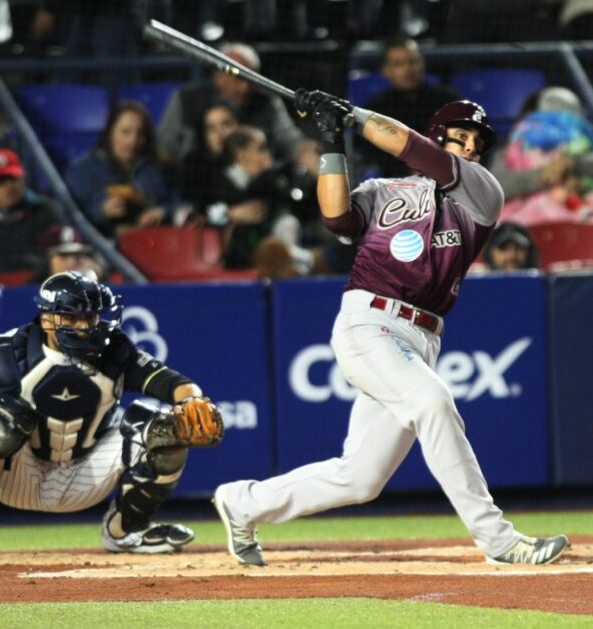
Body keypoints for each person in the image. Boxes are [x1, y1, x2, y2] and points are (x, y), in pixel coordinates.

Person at [212, 90, 570, 568]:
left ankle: (244, 502)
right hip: (369, 321)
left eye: (473, 141)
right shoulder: (385, 190)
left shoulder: (482, 191)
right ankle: (498, 540)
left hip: (422, 337)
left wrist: (354, 115)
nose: (466, 147)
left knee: (360, 479)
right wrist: (332, 138)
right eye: (458, 137)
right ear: (441, 133)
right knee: (433, 403)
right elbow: (336, 216)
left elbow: (412, 147)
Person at [0, 271, 224, 563]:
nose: (84, 327)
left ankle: (126, 530)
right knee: (0, 419)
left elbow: (174, 383)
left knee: (166, 427)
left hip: (86, 473)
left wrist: (192, 400)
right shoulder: (8, 353)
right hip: (16, 475)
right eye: (73, 318)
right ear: (48, 317)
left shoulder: (114, 349)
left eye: (90, 317)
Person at [156, 41, 307, 170]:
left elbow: (291, 141)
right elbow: (165, 147)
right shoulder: (187, 99)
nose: (245, 87)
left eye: (252, 78)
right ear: (218, 76)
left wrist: (306, 153)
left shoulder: (267, 102)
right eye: (238, 78)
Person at [489, 87, 593, 227]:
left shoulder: (584, 144)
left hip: (582, 226)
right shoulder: (510, 150)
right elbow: (495, 189)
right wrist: (545, 175)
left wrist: (571, 163)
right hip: (527, 230)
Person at [65, 100, 177, 237]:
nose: (133, 141)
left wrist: (163, 212)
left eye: (140, 134)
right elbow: (69, 218)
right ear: (110, 133)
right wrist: (101, 212)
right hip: (105, 246)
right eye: (125, 132)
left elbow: (181, 204)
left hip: (154, 241)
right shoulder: (82, 170)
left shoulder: (158, 168)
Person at [356, 36, 461, 179]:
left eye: (412, 61)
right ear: (386, 70)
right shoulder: (376, 110)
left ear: (422, 63)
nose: (408, 69)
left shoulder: (448, 100)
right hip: (397, 183)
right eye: (399, 64)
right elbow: (372, 153)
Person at [0, 148, 63, 281]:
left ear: (24, 180)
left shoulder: (44, 212)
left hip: (35, 288)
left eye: (13, 178)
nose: (9, 186)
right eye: (0, 181)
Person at [31, 224, 107, 283]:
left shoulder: (92, 288)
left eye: (77, 255)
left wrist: (100, 276)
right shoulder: (29, 292)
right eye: (64, 255)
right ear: (47, 260)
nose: (72, 261)